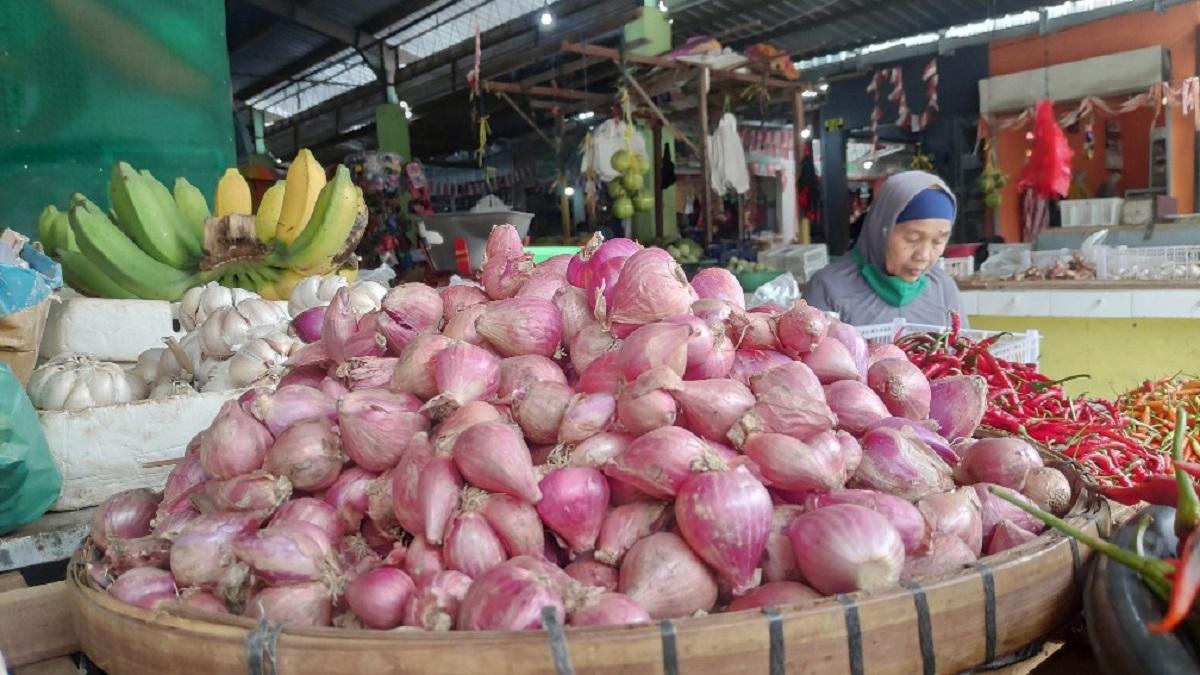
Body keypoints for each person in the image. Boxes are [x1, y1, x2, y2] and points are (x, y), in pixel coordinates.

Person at [804, 171, 966, 327]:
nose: (924, 255)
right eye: (912, 238)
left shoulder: (943, 288)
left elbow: (965, 343)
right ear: (881, 231)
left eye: (938, 241)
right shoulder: (828, 288)